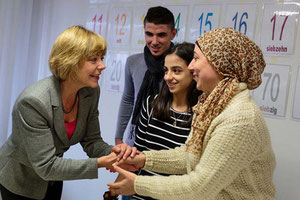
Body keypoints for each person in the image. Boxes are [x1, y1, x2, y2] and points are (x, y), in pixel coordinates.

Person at [107, 27, 276, 200]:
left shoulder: (238, 119)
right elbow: (190, 155)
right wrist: (143, 159)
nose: (191, 66)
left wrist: (137, 185)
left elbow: (198, 187)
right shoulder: (215, 104)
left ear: (220, 63)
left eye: (196, 59)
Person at [0, 25, 136, 200]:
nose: (102, 66)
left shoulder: (90, 92)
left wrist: (116, 154)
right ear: (70, 60)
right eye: (93, 59)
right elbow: (47, 166)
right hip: (21, 182)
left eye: (101, 58)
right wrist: (101, 163)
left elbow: (92, 141)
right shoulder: (33, 102)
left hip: (54, 178)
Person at [115, 6, 177, 146]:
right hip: (134, 140)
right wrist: (118, 137)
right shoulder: (133, 62)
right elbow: (128, 99)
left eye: (161, 35)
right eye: (149, 34)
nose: (154, 41)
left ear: (173, 34)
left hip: (167, 143)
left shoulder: (182, 66)